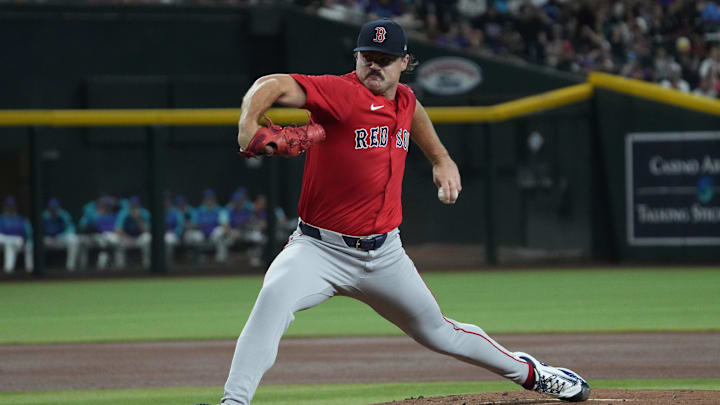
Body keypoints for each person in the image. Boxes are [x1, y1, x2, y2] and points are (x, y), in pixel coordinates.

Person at [213, 19, 590, 405]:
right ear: (357, 58)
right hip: (318, 250)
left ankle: (535, 374)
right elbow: (271, 84)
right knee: (272, 300)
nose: (375, 66)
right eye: (368, 57)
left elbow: (414, 112)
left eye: (385, 59)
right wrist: (248, 123)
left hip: (384, 255)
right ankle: (234, 401)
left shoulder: (405, 98)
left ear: (404, 62)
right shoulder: (340, 94)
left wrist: (441, 159)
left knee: (440, 333)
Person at [184, 189, 230, 263]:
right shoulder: (198, 211)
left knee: (221, 231)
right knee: (191, 235)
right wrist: (199, 226)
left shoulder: (220, 210)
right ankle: (197, 257)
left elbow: (225, 224)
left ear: (214, 199)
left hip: (214, 235)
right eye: (207, 198)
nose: (209, 200)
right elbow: (193, 224)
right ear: (204, 199)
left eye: (211, 198)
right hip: (201, 234)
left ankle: (221, 259)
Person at [42, 198, 80, 271]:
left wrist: (59, 236)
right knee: (32, 244)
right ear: (48, 208)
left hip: (60, 239)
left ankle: (70, 267)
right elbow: (38, 230)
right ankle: (31, 270)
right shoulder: (44, 216)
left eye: (55, 207)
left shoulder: (63, 215)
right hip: (47, 239)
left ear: (58, 207)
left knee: (74, 240)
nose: (53, 209)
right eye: (51, 207)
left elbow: (71, 229)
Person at [114, 196, 152, 268]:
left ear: (139, 205)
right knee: (117, 240)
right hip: (126, 238)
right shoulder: (123, 213)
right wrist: (128, 238)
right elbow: (117, 230)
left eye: (136, 205)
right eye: (132, 205)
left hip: (139, 238)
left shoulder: (144, 213)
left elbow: (147, 230)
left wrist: (138, 219)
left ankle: (147, 264)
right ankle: (119, 267)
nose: (134, 207)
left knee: (147, 238)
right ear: (129, 205)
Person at [0, 196, 33, 273]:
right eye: (8, 206)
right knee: (8, 242)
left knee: (12, 245)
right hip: (3, 240)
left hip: (17, 242)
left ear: (15, 207)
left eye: (12, 206)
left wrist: (26, 239)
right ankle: (8, 270)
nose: (10, 208)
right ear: (5, 206)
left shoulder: (22, 219)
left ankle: (29, 270)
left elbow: (29, 233)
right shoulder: (1, 218)